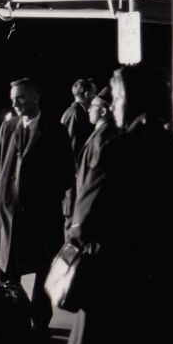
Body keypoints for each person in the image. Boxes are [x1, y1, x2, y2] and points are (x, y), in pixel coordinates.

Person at [60, 64, 173, 344]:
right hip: (161, 279)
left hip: (116, 282)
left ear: (130, 101)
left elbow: (86, 220)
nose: (112, 105)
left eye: (116, 97)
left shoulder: (119, 148)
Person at [0, 78, 75, 334]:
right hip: (8, 215)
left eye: (21, 97)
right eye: (13, 99)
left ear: (36, 97)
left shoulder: (55, 130)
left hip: (41, 216)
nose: (15, 103)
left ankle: (40, 322)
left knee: (43, 269)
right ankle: (13, 323)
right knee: (8, 271)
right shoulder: (8, 127)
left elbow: (66, 173)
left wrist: (44, 197)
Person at [61, 78, 97, 230]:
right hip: (75, 178)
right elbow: (72, 149)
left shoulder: (74, 112)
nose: (95, 98)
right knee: (73, 220)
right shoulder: (76, 114)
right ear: (87, 94)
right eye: (94, 94)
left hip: (75, 176)